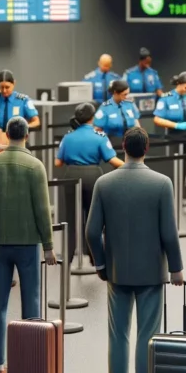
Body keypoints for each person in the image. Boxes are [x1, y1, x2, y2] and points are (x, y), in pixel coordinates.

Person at [87, 127, 185, 373]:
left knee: (118, 335)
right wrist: (176, 269)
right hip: (151, 273)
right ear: (147, 148)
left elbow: (92, 232)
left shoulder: (104, 183)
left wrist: (102, 265)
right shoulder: (162, 183)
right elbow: (169, 233)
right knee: (148, 335)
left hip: (117, 272)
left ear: (123, 148)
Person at [0, 117, 56, 373]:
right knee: (32, 301)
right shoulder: (35, 166)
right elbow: (42, 210)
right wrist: (48, 246)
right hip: (28, 243)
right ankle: (30, 362)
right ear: (27, 135)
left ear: (6, 135)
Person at [55, 103, 124, 267]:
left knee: (71, 217)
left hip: (71, 176)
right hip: (93, 176)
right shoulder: (99, 136)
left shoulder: (68, 137)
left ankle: (68, 256)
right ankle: (95, 257)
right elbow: (112, 160)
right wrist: (130, 166)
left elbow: (58, 162)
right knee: (94, 217)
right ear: (92, 117)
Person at [0, 70, 40, 134]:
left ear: (14, 83)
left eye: (7, 87)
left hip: (17, 137)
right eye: (1, 87)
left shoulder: (23, 100)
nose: (4, 90)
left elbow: (36, 122)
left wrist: (22, 128)